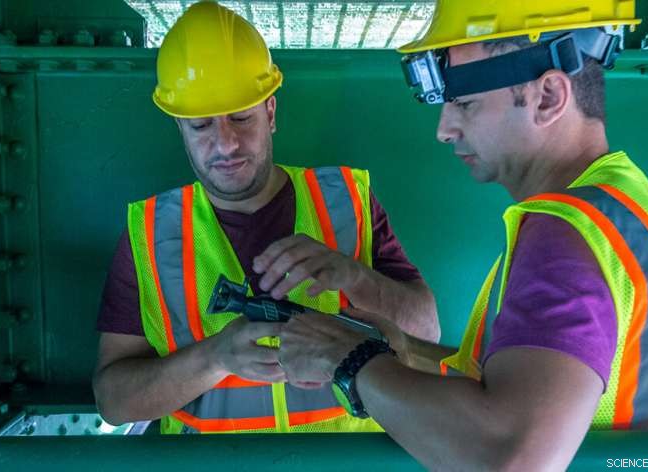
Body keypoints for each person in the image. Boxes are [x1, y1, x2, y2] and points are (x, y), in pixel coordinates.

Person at [277, 1, 648, 469]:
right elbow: (517, 386)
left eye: (463, 103)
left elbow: (512, 457)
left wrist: (350, 360)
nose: (444, 130)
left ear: (548, 97)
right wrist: (402, 352)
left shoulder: (565, 234)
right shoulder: (621, 203)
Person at [92, 1, 438, 435]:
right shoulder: (151, 232)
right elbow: (113, 403)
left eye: (241, 118)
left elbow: (427, 331)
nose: (226, 144)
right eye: (201, 126)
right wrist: (215, 357)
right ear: (179, 127)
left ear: (270, 113)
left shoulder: (347, 201)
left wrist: (353, 276)